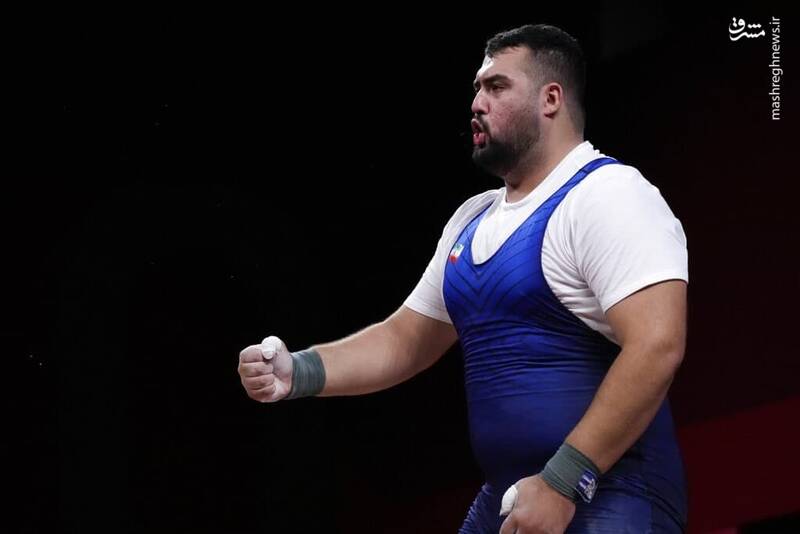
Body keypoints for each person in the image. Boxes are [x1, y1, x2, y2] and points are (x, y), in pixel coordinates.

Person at [238, 23, 689, 533]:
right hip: (510, 495)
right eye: (477, 88)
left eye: (496, 87)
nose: (477, 103)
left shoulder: (609, 195)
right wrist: (298, 371)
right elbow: (405, 339)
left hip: (609, 492)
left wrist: (564, 481)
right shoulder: (471, 220)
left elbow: (657, 345)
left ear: (551, 99)